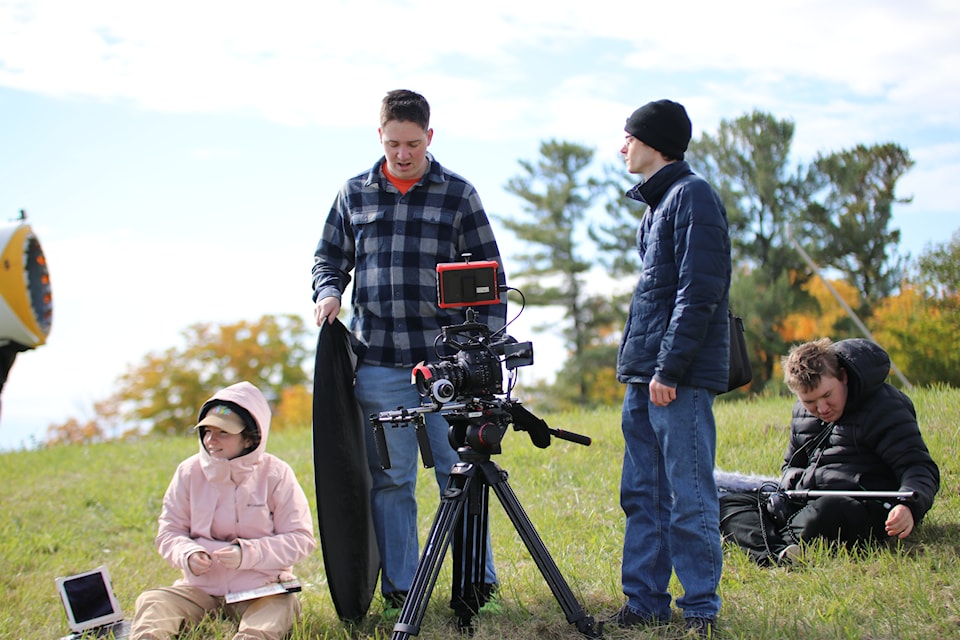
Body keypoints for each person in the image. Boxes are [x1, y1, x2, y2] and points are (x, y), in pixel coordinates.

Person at [311, 89, 506, 616]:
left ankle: (474, 584)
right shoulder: (353, 194)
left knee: (458, 474)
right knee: (391, 480)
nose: (403, 153)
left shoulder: (458, 195)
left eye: (413, 144)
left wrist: (481, 359)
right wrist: (328, 291)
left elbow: (491, 281)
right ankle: (402, 586)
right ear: (380, 136)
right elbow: (328, 258)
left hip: (447, 368)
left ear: (430, 137)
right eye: (394, 143)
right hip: (377, 364)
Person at [610, 99, 730, 638]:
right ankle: (644, 603)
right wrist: (644, 370)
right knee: (643, 493)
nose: (622, 146)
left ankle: (700, 611)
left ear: (654, 142)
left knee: (689, 494)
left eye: (629, 137)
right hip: (645, 374)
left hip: (672, 378)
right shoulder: (658, 205)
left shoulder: (693, 195)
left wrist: (669, 369)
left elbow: (699, 291)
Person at [719, 338, 940, 566]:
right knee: (729, 504)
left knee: (825, 512)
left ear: (843, 377)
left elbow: (918, 467)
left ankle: (770, 544)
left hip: (858, 506)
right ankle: (779, 554)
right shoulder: (802, 414)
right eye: (810, 402)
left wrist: (908, 506)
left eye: (827, 395)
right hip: (804, 500)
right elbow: (791, 464)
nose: (822, 409)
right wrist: (791, 482)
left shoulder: (885, 406)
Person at [130, 381, 317, 640]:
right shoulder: (188, 472)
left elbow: (301, 539)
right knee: (154, 602)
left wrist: (247, 554)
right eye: (206, 431)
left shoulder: (276, 473)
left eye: (223, 433)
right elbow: (169, 532)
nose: (210, 440)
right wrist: (188, 554)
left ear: (250, 437)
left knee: (281, 608)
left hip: (261, 591)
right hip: (199, 589)